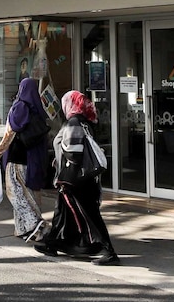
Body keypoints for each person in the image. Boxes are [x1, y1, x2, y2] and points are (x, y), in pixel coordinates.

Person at [34, 90, 120, 265]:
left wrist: (63, 151)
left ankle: (109, 252)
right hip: (77, 179)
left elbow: (74, 153)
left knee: (90, 216)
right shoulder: (84, 122)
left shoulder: (73, 123)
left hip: (75, 180)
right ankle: (53, 243)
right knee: (61, 214)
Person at [0, 78, 50, 243]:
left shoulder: (20, 107)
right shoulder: (37, 108)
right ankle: (21, 229)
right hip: (33, 159)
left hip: (17, 158)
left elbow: (10, 133)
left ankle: (36, 225)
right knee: (28, 193)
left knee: (15, 194)